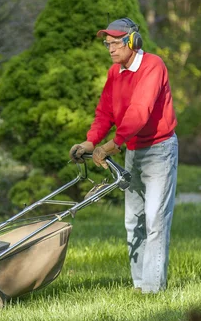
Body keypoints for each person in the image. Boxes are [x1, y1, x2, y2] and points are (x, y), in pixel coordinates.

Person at [69, 17, 178, 294]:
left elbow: (139, 112)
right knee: (134, 221)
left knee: (155, 219)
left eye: (116, 42)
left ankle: (153, 289)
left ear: (133, 42)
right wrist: (91, 141)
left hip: (158, 150)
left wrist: (112, 144)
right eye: (108, 43)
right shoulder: (114, 72)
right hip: (133, 151)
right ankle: (140, 285)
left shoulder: (153, 66)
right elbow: (105, 111)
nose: (111, 48)